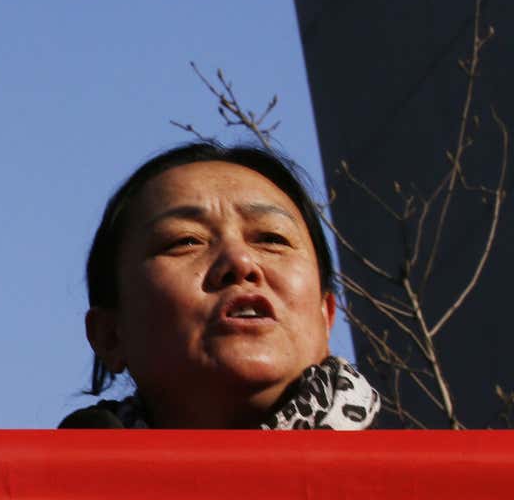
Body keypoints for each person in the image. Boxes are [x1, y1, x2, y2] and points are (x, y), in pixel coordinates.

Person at [61, 142, 379, 429]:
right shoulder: (53, 491)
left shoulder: (416, 488)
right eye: (186, 241)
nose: (240, 262)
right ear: (110, 335)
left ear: (326, 315)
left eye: (272, 238)